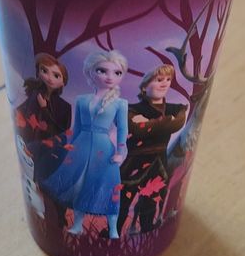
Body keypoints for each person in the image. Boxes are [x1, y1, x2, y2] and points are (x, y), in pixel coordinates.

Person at [43, 50, 128, 239]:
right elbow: (77, 127)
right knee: (81, 185)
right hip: (81, 147)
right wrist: (70, 148)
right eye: (102, 71)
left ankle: (113, 229)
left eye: (117, 73)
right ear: (91, 72)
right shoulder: (82, 100)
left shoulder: (120, 104)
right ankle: (77, 225)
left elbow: (123, 129)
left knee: (108, 186)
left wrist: (121, 152)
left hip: (104, 150)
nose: (109, 77)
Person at [119, 63, 187, 234]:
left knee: (150, 200)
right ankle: (115, 232)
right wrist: (166, 121)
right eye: (159, 79)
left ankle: (147, 230)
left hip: (159, 163)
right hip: (135, 163)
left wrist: (150, 123)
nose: (164, 83)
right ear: (144, 86)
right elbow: (138, 129)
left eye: (168, 79)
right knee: (124, 200)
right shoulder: (131, 109)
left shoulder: (176, 108)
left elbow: (178, 123)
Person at [15, 53, 72, 182]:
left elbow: (62, 131)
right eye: (44, 71)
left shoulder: (64, 107)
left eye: (56, 75)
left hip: (50, 146)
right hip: (30, 139)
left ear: (63, 82)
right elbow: (22, 113)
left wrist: (44, 109)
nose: (50, 78)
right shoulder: (35, 94)